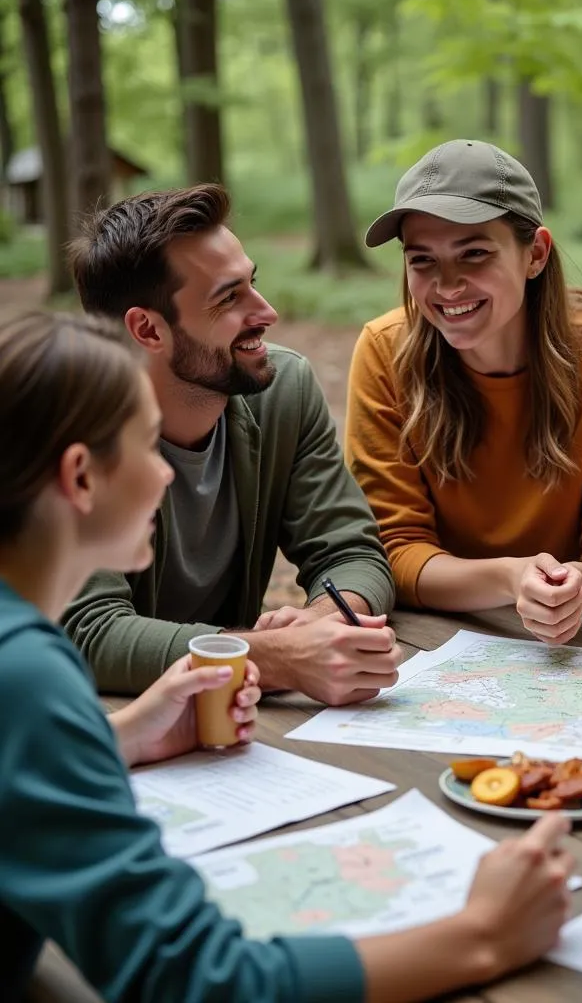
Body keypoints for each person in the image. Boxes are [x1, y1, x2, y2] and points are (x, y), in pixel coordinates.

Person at [1, 310, 577, 1002]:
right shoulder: (27, 675)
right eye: (146, 446)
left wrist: (115, 738)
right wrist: (484, 934)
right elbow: (200, 983)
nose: (166, 475)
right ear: (81, 479)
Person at [61, 185, 401, 706]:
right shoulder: (67, 430)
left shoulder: (282, 389)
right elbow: (89, 633)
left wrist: (316, 623)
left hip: (227, 716)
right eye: (228, 297)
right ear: (148, 329)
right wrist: (277, 655)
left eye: (253, 283)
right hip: (104, 724)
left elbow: (351, 552)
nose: (266, 313)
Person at [346, 139, 582, 645]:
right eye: (422, 260)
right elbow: (394, 549)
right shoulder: (386, 352)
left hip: (579, 638)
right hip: (433, 636)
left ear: (535, 253)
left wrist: (572, 586)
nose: (447, 286)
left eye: (473, 253)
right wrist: (509, 578)